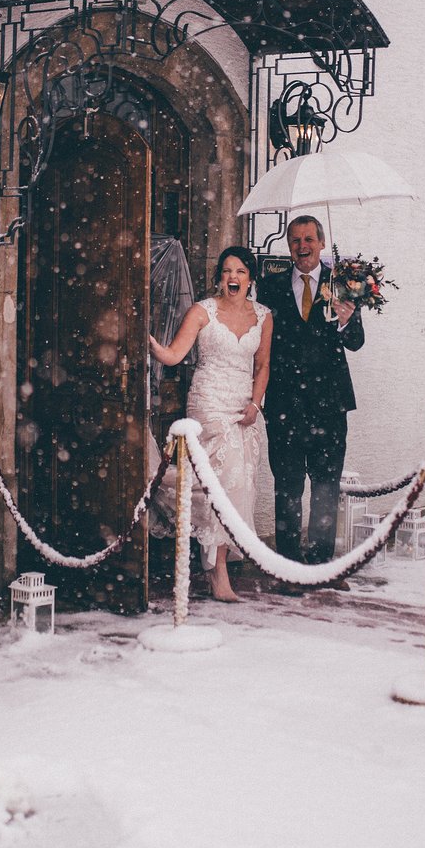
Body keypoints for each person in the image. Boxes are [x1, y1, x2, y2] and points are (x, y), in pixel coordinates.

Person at [149, 246, 272, 602]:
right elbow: (175, 354)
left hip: (243, 407)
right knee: (221, 479)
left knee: (238, 484)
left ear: (250, 278)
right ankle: (217, 574)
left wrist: (255, 404)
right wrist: (153, 346)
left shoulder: (264, 317)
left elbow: (262, 366)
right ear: (220, 277)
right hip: (209, 404)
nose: (233, 278)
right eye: (227, 271)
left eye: (240, 272)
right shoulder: (203, 311)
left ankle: (213, 562)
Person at [259, 215, 364, 577]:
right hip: (283, 404)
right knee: (286, 486)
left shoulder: (342, 284)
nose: (302, 247)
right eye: (295, 241)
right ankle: (287, 564)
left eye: (308, 239)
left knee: (325, 485)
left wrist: (347, 318)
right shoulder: (268, 287)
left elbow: (356, 342)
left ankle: (320, 565)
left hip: (329, 405)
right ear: (288, 247)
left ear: (321, 243)